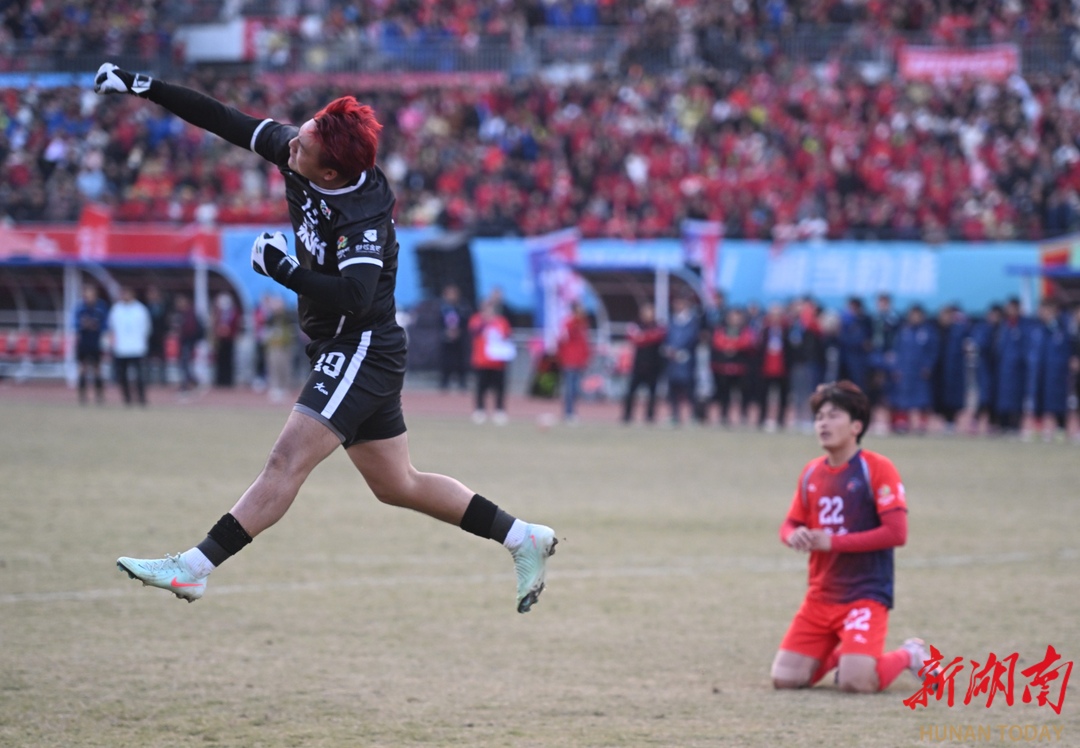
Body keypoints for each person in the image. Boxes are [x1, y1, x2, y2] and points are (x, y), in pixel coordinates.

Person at [97, 62, 557, 613]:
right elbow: (224, 119)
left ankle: (193, 568)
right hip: (353, 345)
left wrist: (284, 270)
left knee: (285, 460)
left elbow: (355, 296)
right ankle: (523, 537)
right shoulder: (306, 150)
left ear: (333, 173)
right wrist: (145, 86)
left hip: (360, 346)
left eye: (303, 145)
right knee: (397, 484)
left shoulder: (362, 215)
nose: (291, 144)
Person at [770, 380, 935, 693]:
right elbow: (788, 525)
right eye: (819, 417)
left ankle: (909, 654)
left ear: (856, 426)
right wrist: (794, 535)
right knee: (785, 680)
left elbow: (897, 533)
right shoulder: (811, 472)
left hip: (864, 594)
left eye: (833, 416)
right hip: (820, 596)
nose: (823, 423)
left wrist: (833, 542)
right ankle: (845, 656)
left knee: (856, 683)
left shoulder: (876, 468)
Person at [468, 295, 513, 425]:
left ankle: (499, 410)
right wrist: (485, 322)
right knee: (481, 387)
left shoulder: (501, 321)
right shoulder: (476, 319)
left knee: (499, 388)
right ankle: (480, 410)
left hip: (498, 362)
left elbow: (506, 335)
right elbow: (474, 331)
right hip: (481, 361)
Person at [106, 285, 152, 406]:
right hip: (121, 348)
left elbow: (146, 328)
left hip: (137, 347)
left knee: (139, 375)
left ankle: (141, 398)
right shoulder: (116, 309)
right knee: (122, 375)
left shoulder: (140, 309)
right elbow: (111, 327)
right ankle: (127, 398)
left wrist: (142, 341)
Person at [621, 301, 665, 425]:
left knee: (652, 393)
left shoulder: (657, 326)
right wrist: (646, 337)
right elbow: (632, 338)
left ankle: (650, 416)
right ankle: (627, 416)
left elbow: (657, 336)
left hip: (653, 365)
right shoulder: (636, 325)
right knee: (631, 391)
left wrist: (643, 337)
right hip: (639, 365)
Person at [556, 300, 590, 424]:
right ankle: (568, 412)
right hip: (569, 360)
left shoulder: (583, 324)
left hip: (579, 361)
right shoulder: (569, 323)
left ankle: (572, 411)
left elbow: (584, 343)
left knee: (575, 389)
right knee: (570, 388)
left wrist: (586, 357)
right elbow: (562, 340)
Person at [73, 284, 109, 405]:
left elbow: (105, 324)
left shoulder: (101, 308)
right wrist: (83, 325)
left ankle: (99, 396)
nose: (89, 297)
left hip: (96, 342)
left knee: (97, 369)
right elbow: (75, 323)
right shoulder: (80, 308)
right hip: (83, 342)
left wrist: (96, 325)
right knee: (82, 369)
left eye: (91, 295)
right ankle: (82, 397)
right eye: (87, 295)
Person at [437, 283, 470, 393]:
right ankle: (444, 382)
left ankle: (462, 382)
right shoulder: (441, 308)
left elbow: (467, 322)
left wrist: (459, 331)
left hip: (460, 338)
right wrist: (445, 332)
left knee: (460, 360)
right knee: (446, 361)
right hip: (445, 338)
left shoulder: (463, 307)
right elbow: (437, 322)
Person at [172, 293, 204, 394]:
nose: (178, 305)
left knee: (184, 363)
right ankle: (191, 381)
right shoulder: (181, 314)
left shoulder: (190, 314)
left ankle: (187, 383)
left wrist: (183, 334)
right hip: (184, 342)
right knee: (184, 363)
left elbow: (190, 329)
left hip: (188, 341)